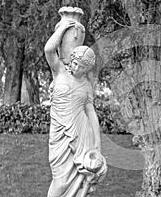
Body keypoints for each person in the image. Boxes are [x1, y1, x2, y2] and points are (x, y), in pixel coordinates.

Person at [44, 20, 107, 197]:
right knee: (60, 179)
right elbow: (49, 50)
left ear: (87, 69)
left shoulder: (86, 86)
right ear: (71, 59)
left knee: (81, 178)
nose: (76, 67)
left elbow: (91, 113)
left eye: (81, 66)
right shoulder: (59, 72)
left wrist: (97, 144)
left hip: (82, 133)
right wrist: (63, 28)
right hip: (59, 132)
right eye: (75, 63)